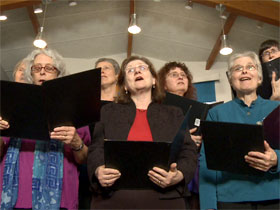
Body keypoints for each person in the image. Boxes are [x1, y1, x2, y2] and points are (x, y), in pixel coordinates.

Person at [87, 56, 197, 209]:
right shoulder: (108, 112)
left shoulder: (174, 113)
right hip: (113, 198)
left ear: (153, 80)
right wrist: (98, 169)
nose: (137, 70)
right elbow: (96, 148)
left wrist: (179, 175)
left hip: (165, 199)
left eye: (143, 68)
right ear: (125, 85)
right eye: (130, 70)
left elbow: (188, 150)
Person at [0, 48, 91, 210]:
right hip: (13, 198)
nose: (42, 72)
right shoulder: (13, 104)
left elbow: (84, 159)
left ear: (59, 73)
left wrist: (76, 141)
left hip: (61, 200)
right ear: (31, 73)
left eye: (49, 68)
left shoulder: (75, 107)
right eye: (37, 68)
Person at [199, 51, 280, 210]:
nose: (244, 71)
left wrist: (276, 159)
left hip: (274, 196)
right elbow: (206, 163)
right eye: (238, 68)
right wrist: (208, 205)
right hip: (231, 199)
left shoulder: (277, 109)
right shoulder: (216, 113)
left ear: (259, 77)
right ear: (230, 79)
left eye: (250, 67)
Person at [158, 61, 201, 209]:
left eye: (183, 75)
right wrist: (184, 138)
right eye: (174, 75)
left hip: (196, 174)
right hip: (169, 176)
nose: (180, 77)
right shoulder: (157, 110)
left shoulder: (198, 108)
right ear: (163, 84)